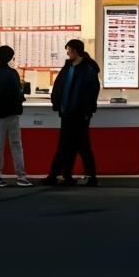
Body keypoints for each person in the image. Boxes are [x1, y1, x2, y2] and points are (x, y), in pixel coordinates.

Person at [46, 38, 101, 188]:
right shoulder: (69, 67)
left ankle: (62, 175)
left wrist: (87, 111)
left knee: (77, 145)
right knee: (69, 145)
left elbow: (91, 92)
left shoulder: (87, 69)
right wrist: (57, 103)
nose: (68, 53)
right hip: (67, 112)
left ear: (76, 51)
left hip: (79, 114)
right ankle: (65, 175)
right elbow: (59, 86)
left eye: (69, 50)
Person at [0, 44, 32, 188]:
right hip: (11, 114)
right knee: (16, 145)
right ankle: (21, 177)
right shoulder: (12, 73)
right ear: (11, 57)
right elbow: (18, 94)